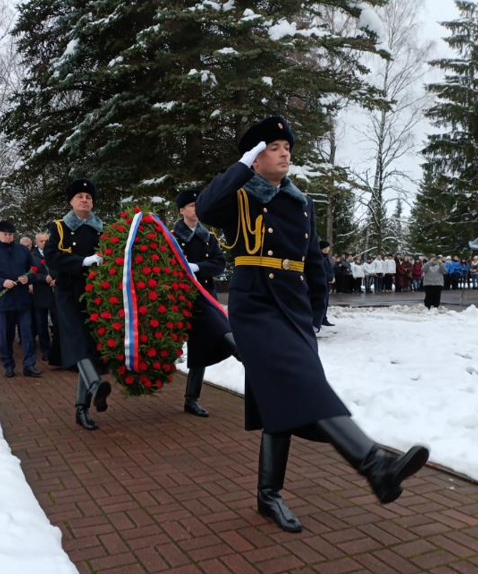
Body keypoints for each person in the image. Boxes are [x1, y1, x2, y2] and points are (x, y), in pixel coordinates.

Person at [195, 116, 429, 533]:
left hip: (294, 308)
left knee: (281, 399)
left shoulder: (301, 202)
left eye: (288, 147)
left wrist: (317, 313)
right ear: (254, 157)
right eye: (273, 147)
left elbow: (313, 263)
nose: (285, 152)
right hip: (255, 305)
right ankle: (375, 466)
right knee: (303, 388)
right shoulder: (240, 197)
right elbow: (208, 206)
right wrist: (242, 166)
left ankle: (269, 495)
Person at [44, 179, 113, 431]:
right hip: (68, 293)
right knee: (78, 341)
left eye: (88, 197)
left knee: (90, 346)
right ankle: (95, 386)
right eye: (80, 196)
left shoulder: (101, 230)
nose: (85, 200)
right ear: (71, 201)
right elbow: (52, 257)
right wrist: (84, 261)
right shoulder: (60, 228)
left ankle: (82, 408)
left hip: (96, 294)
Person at [173, 188, 238, 417]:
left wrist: (198, 267)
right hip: (179, 298)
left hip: (205, 297)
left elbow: (220, 263)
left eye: (199, 204)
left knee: (214, 336)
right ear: (181, 210)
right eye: (191, 205)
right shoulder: (172, 237)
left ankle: (191, 399)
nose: (196, 209)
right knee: (187, 345)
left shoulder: (208, 237)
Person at [0, 221, 42, 378]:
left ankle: (29, 365)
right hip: (3, 300)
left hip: (22, 300)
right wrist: (1, 282)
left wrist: (27, 278)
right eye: (5, 234)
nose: (8, 237)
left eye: (10, 234)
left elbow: (34, 269)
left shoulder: (22, 250)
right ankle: (8, 364)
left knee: (27, 334)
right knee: (4, 335)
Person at [31, 232, 56, 362]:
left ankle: (58, 349)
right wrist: (43, 278)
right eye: (42, 241)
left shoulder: (54, 252)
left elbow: (61, 267)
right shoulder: (32, 256)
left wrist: (56, 279)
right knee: (41, 324)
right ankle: (45, 350)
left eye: (47, 240)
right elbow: (30, 274)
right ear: (36, 242)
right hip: (40, 293)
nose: (45, 243)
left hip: (55, 292)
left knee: (57, 322)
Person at [319, 241, 335, 327]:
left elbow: (330, 269)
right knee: (321, 302)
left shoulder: (326, 257)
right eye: (328, 247)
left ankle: (323, 319)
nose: (329, 248)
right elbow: (322, 270)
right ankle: (319, 319)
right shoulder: (320, 257)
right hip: (321, 283)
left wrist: (332, 276)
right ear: (324, 248)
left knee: (325, 302)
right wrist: (329, 277)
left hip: (326, 282)